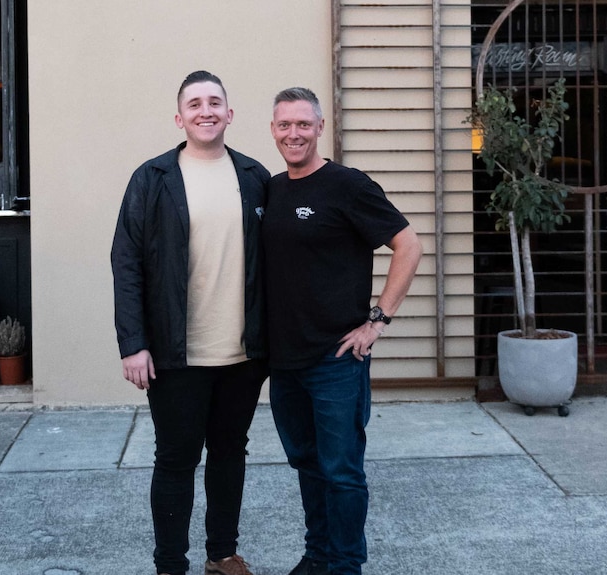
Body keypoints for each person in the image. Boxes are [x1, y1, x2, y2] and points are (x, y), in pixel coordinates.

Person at [111, 70, 270, 575]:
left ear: (229, 113)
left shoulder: (254, 177)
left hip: (243, 355)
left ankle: (222, 555)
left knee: (230, 454)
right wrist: (133, 344)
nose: (206, 111)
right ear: (180, 117)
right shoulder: (152, 178)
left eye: (215, 102)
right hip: (175, 354)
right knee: (176, 461)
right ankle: (171, 565)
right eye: (195, 104)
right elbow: (126, 261)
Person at [263, 87, 423, 575]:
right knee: (307, 466)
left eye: (303, 125)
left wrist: (378, 320)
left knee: (342, 472)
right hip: (284, 361)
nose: (294, 134)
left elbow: (408, 245)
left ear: (320, 127)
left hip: (336, 360)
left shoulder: (348, 185)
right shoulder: (269, 190)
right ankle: (319, 557)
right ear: (273, 130)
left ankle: (346, 565)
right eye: (285, 125)